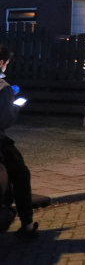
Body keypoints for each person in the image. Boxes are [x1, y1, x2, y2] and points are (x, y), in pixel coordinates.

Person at [0, 44, 38, 239]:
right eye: (6, 63)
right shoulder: (3, 88)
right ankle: (27, 225)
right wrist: (15, 106)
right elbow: (4, 120)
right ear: (1, 63)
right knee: (21, 174)